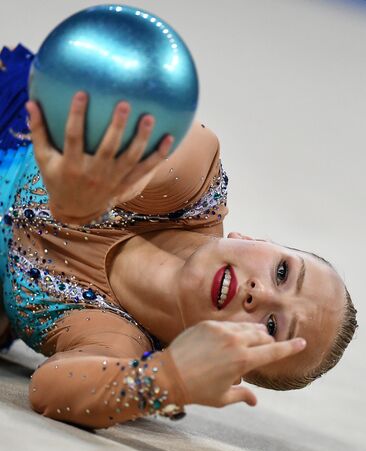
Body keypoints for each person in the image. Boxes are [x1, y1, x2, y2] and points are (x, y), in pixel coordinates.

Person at [0, 44, 357, 430]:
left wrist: (168, 379)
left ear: (232, 362)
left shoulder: (118, 342)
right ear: (255, 240)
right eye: (283, 273)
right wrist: (106, 182)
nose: (261, 294)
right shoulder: (194, 184)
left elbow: (48, 390)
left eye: (271, 327)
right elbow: (157, 157)